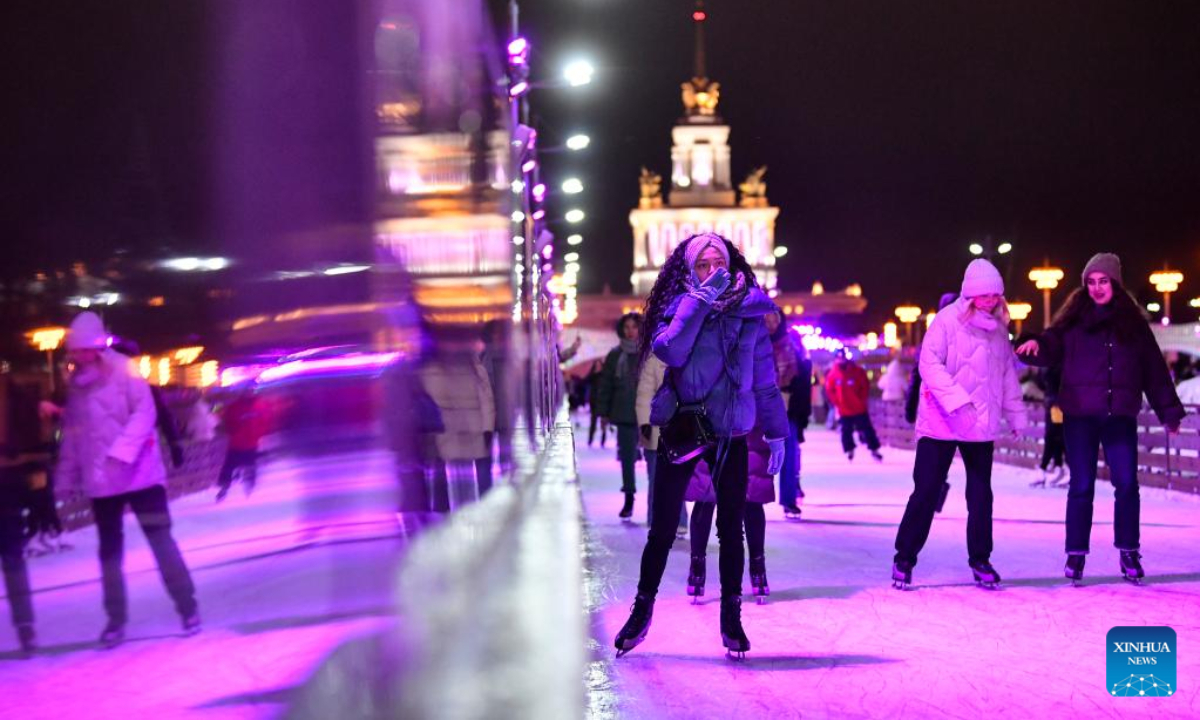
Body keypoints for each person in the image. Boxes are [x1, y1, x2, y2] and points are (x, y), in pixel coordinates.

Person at [613, 233, 787, 659]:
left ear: (731, 266)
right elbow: (670, 352)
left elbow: (765, 382)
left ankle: (731, 616)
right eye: (703, 265)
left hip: (730, 431)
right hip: (684, 426)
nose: (712, 272)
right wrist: (698, 302)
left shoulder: (750, 313)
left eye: (718, 264)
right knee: (662, 527)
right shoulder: (678, 307)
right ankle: (642, 610)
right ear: (691, 270)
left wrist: (777, 431)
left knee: (731, 529)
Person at [1016, 253, 1185, 584]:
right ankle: (1076, 553)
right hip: (1080, 417)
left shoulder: (1134, 327)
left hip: (1119, 416)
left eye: (1103, 281)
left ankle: (1129, 551)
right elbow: (1050, 344)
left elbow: (1154, 371)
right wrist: (1033, 342)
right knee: (1081, 485)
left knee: (1127, 484)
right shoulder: (1073, 323)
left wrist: (1169, 412)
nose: (1096, 288)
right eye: (1091, 282)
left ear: (1115, 284)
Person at [54, 312, 200, 647]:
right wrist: (65, 476)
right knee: (109, 553)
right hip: (102, 482)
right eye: (75, 351)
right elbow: (74, 436)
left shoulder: (126, 370)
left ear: (96, 346)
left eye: (84, 350)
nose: (79, 356)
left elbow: (145, 412)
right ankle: (115, 619)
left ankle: (187, 606)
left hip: (141, 476)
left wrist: (123, 452)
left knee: (160, 541)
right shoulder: (76, 386)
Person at [892, 259, 1028, 590]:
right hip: (941, 420)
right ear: (970, 294)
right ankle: (904, 557)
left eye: (995, 295)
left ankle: (981, 559)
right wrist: (956, 400)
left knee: (981, 496)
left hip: (980, 423)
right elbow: (929, 364)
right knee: (926, 490)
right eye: (984, 294)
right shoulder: (945, 321)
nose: (990, 300)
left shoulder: (999, 330)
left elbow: (1006, 375)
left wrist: (1016, 414)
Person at [685, 426, 775, 604]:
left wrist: (777, 430)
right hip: (714, 430)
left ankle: (757, 567)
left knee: (749, 497)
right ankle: (698, 566)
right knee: (707, 496)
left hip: (742, 432)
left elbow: (771, 405)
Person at [0, 372, 49, 655]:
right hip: (8, 484)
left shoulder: (15, 394)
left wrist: (37, 494)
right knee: (13, 558)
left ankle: (25, 626)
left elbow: (34, 445)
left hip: (6, 487)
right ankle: (25, 627)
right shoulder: (14, 392)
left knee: (12, 558)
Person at [595, 313, 644, 520]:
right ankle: (629, 498)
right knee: (627, 459)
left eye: (634, 327)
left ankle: (655, 504)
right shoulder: (615, 355)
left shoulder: (647, 352)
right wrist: (603, 413)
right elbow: (605, 385)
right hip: (624, 413)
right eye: (627, 327)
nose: (630, 331)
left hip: (648, 415)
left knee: (654, 461)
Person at [763, 307, 810, 517]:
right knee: (752, 456)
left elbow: (801, 381)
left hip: (786, 408)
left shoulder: (791, 346)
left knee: (788, 454)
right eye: (767, 320)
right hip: (758, 407)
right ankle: (748, 501)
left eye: (775, 320)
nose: (771, 325)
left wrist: (802, 414)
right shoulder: (756, 344)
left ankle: (789, 500)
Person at [636, 353, 687, 533]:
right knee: (656, 479)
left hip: (682, 429)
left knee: (679, 478)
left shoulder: (688, 355)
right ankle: (654, 519)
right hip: (656, 429)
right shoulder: (654, 360)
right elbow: (644, 394)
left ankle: (680, 520)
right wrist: (644, 423)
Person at [825, 351, 883, 462]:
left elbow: (864, 386)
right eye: (838, 358)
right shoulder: (833, 374)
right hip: (844, 409)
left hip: (859, 408)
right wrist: (837, 402)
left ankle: (874, 449)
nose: (840, 361)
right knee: (846, 431)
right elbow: (830, 390)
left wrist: (861, 400)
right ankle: (849, 449)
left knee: (867, 429)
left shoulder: (857, 371)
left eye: (842, 358)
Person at [215, 390, 269, 501]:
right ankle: (224, 486)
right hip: (237, 443)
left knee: (250, 465)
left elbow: (265, 421)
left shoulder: (260, 405)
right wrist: (234, 431)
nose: (249, 393)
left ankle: (249, 484)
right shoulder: (234, 407)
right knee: (229, 466)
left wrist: (258, 434)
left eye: (250, 391)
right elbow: (227, 422)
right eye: (247, 391)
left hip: (252, 442)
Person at [1029, 367, 1066, 488]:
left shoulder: (1055, 364)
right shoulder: (1047, 365)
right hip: (1052, 404)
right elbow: (1041, 383)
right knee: (1056, 436)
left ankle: (1044, 469)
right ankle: (1058, 468)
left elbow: (1049, 380)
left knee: (1053, 436)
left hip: (1057, 405)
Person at [584, 360, 608, 448]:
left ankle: (603, 440)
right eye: (596, 365)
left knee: (603, 422)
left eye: (599, 365)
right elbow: (585, 380)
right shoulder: (593, 376)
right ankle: (590, 439)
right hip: (594, 402)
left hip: (602, 401)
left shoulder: (605, 376)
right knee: (593, 422)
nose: (598, 367)